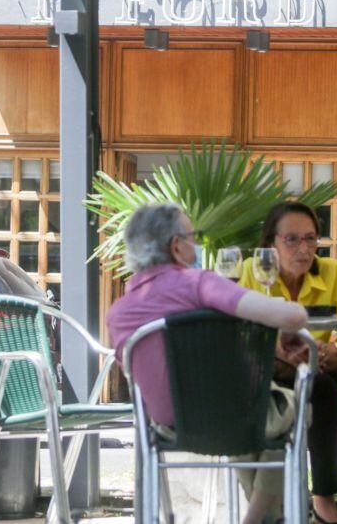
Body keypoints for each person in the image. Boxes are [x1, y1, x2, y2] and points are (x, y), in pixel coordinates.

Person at [106, 203, 308, 524]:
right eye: (192, 237)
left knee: (256, 414)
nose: (196, 244)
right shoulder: (199, 283)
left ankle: (266, 515)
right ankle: (257, 518)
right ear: (176, 246)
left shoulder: (118, 314)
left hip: (170, 427)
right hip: (236, 414)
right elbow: (293, 316)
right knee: (293, 408)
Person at [238, 202, 337, 524]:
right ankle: (269, 505)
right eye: (292, 240)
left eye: (311, 239)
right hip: (264, 375)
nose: (304, 248)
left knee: (324, 388)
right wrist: (277, 348)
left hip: (313, 376)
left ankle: (324, 499)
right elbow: (234, 329)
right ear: (271, 243)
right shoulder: (251, 270)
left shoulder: (330, 272)